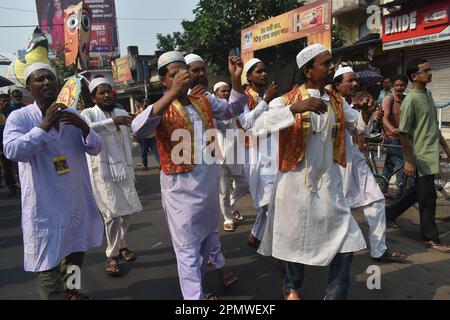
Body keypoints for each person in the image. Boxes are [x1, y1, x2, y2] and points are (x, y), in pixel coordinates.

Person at [252, 44, 366, 300]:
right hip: (294, 186)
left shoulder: (336, 101)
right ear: (308, 71)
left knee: (346, 243)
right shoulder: (286, 100)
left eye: (330, 63)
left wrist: (367, 114)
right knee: (296, 238)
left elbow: (358, 128)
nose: (331, 67)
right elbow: (258, 127)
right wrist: (294, 109)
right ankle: (291, 288)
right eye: (325, 64)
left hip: (330, 186)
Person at [132, 51, 247, 300]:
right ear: (164, 80)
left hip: (208, 187)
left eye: (182, 72)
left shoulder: (202, 100)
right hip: (180, 191)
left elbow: (234, 108)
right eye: (174, 75)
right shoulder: (161, 107)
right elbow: (138, 128)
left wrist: (235, 80)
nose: (181, 78)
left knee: (205, 242)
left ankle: (198, 289)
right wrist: (172, 93)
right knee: (187, 249)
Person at [3, 63, 103, 300]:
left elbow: (96, 148)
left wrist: (84, 127)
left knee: (76, 251)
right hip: (44, 205)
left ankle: (72, 290)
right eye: (40, 80)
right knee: (47, 260)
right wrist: (44, 125)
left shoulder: (72, 114)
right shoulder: (20, 117)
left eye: (50, 78)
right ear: (29, 87)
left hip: (75, 199)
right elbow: (12, 151)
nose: (46, 83)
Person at [333, 67, 406, 263]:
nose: (355, 84)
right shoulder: (329, 103)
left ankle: (379, 249)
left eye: (355, 80)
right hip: (335, 164)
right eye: (350, 80)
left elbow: (359, 130)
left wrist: (367, 113)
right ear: (337, 84)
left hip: (354, 159)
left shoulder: (347, 104)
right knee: (337, 209)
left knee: (376, 200)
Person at [81, 78, 143, 276]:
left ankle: (122, 245)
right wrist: (112, 123)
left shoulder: (120, 112)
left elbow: (129, 134)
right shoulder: (87, 113)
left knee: (126, 213)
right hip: (102, 171)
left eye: (109, 91)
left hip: (123, 169)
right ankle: (112, 255)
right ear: (93, 97)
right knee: (111, 215)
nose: (107, 95)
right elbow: (86, 130)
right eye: (101, 92)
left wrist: (136, 125)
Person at [394, 58, 450, 253]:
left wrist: (445, 147)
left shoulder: (427, 94)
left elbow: (433, 125)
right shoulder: (410, 100)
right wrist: (409, 160)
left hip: (431, 153)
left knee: (418, 192)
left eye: (430, 70)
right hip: (420, 157)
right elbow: (403, 133)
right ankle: (431, 238)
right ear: (414, 76)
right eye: (426, 71)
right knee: (428, 197)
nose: (430, 73)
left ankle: (389, 213)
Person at [238, 58, 278, 248]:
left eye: (265, 71)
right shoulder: (243, 98)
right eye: (259, 71)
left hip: (272, 152)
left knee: (269, 201)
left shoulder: (268, 96)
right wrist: (265, 101)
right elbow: (245, 123)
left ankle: (256, 235)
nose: (264, 74)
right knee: (268, 201)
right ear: (249, 76)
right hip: (252, 154)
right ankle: (275, 246)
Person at [212, 81, 248, 232]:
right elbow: (224, 123)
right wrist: (231, 110)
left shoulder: (234, 109)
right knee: (224, 191)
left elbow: (245, 119)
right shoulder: (214, 111)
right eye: (222, 91)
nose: (226, 93)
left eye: (228, 91)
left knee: (245, 184)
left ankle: (231, 206)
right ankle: (228, 218)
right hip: (219, 157)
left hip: (235, 155)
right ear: (215, 95)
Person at [382, 75, 408, 199]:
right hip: (391, 136)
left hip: (403, 136)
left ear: (406, 86)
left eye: (402, 85)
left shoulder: (406, 99)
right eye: (397, 85)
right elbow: (385, 117)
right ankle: (400, 193)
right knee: (401, 163)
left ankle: (382, 187)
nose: (399, 88)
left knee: (389, 164)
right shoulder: (389, 99)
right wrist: (392, 129)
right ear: (393, 86)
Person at [134, 98, 160, 169]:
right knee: (144, 152)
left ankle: (161, 165)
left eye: (147, 103)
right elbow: (135, 118)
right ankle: (145, 165)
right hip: (143, 137)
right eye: (145, 103)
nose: (145, 104)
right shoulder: (140, 112)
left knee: (155, 151)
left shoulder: (152, 111)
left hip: (152, 135)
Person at [0, 94, 17, 195]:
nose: (6, 103)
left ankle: (18, 183)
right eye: (3, 101)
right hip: (3, 146)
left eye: (7, 101)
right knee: (7, 169)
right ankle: (12, 186)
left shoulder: (14, 113)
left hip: (15, 143)